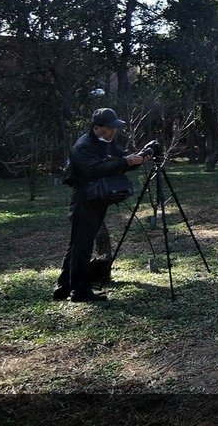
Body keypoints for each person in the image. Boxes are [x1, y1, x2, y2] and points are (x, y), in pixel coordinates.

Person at [54, 107, 147, 302]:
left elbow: (121, 159)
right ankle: (80, 292)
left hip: (97, 199)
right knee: (82, 247)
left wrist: (140, 157)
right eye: (109, 128)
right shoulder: (84, 145)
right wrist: (125, 162)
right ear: (97, 128)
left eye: (115, 128)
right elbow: (93, 170)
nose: (113, 131)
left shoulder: (106, 142)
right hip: (84, 201)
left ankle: (64, 287)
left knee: (77, 245)